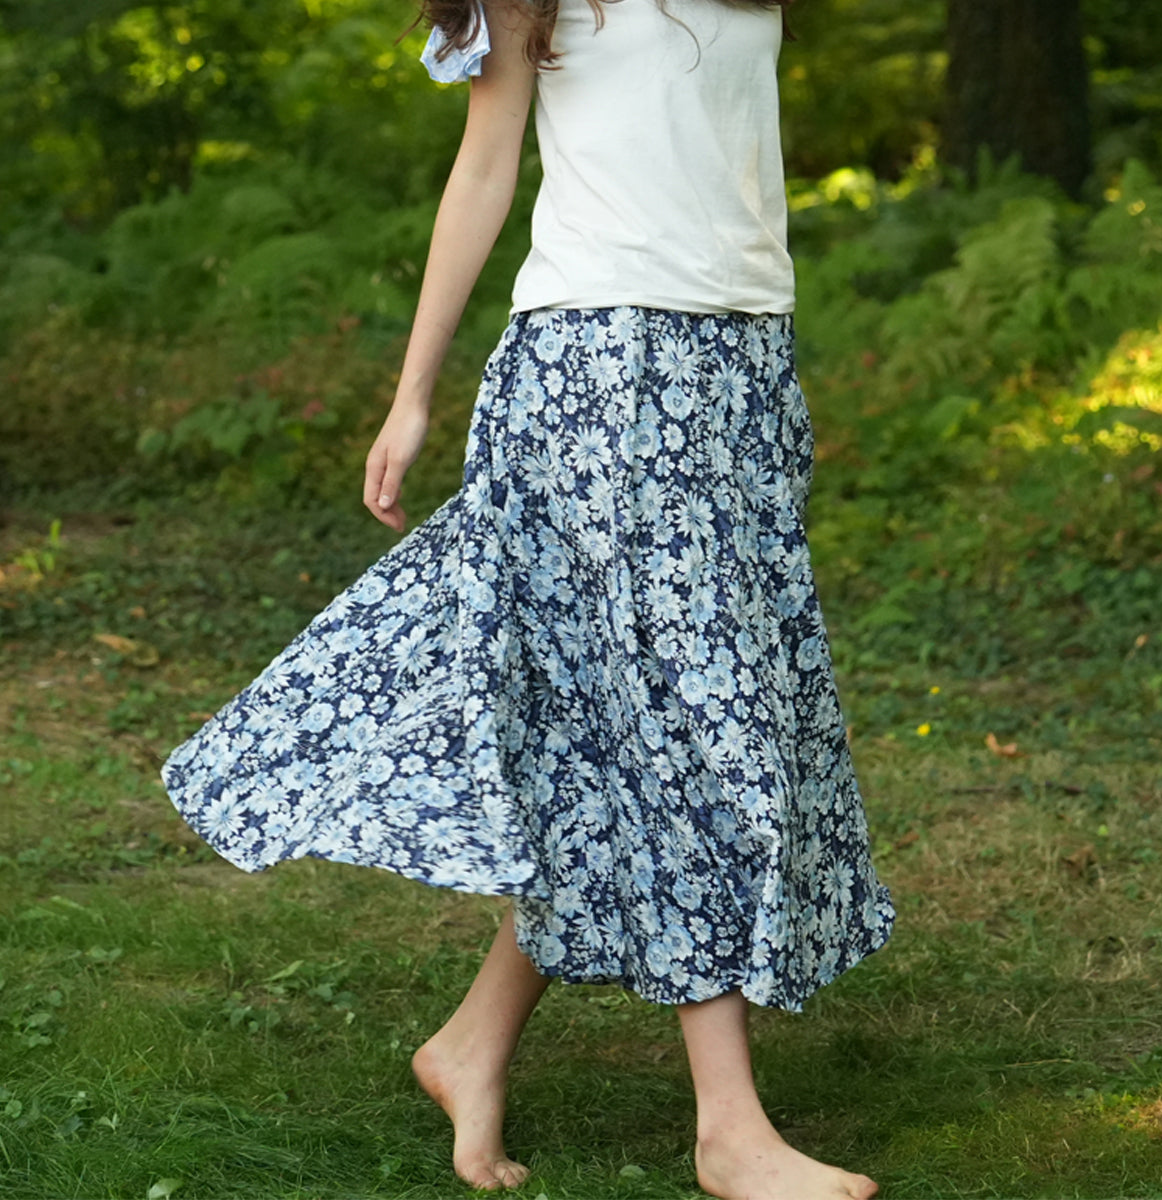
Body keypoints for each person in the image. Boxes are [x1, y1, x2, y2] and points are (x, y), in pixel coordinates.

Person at [161, 0, 896, 1195]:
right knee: (690, 723)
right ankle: (729, 1130)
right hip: (602, 370)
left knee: (615, 732)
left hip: (745, 364)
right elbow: (485, 163)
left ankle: (471, 1043)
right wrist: (411, 396)